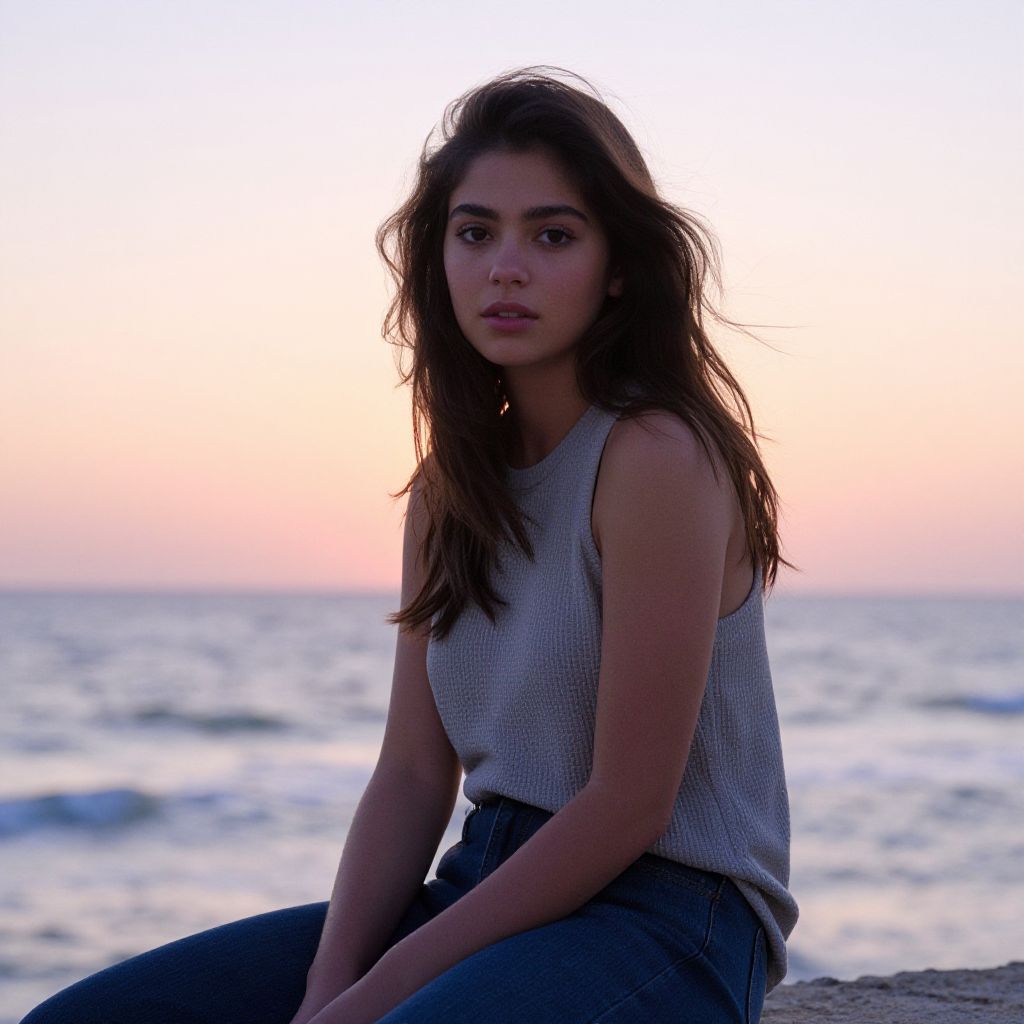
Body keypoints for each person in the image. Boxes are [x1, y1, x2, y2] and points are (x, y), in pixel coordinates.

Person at [21, 67, 798, 1024]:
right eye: (475, 233)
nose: (503, 267)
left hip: (670, 916)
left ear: (620, 266)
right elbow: (412, 774)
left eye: (552, 235)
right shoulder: (450, 486)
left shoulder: (656, 457)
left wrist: (378, 996)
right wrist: (325, 988)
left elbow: (630, 804)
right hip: (488, 881)